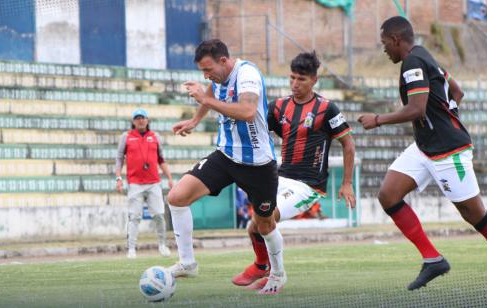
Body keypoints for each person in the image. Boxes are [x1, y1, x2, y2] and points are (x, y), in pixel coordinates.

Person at [358, 16, 487, 298]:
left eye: (385, 43)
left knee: (474, 214)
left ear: (396, 40)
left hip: (448, 151)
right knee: (388, 194)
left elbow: (417, 110)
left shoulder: (413, 63)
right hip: (426, 146)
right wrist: (448, 115)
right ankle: (433, 259)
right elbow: (457, 91)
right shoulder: (425, 55)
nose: (384, 48)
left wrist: (377, 119)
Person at [167, 39, 286, 295]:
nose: (206, 76)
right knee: (177, 197)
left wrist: (205, 101)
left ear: (224, 61)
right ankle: (187, 263)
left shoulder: (247, 74)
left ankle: (278, 274)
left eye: (208, 69)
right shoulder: (219, 78)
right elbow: (211, 92)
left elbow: (247, 111)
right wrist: (194, 120)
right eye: (202, 71)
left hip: (258, 164)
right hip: (226, 156)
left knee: (264, 224)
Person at [231, 52, 356, 289]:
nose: (295, 84)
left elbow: (348, 144)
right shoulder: (278, 107)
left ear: (314, 81)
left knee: (266, 217)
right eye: (292, 78)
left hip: (309, 185)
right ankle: (262, 266)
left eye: (302, 79)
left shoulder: (326, 109)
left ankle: (277, 276)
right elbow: (261, 129)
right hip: (280, 177)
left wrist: (347, 183)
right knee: (253, 225)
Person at [115, 108, 174, 259]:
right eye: (137, 118)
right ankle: (131, 248)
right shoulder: (126, 137)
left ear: (147, 120)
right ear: (133, 121)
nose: (140, 120)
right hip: (135, 183)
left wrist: (169, 178)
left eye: (143, 118)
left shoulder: (155, 136)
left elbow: (161, 159)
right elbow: (120, 158)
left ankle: (162, 245)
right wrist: (119, 178)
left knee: (159, 215)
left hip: (154, 182)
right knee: (134, 216)